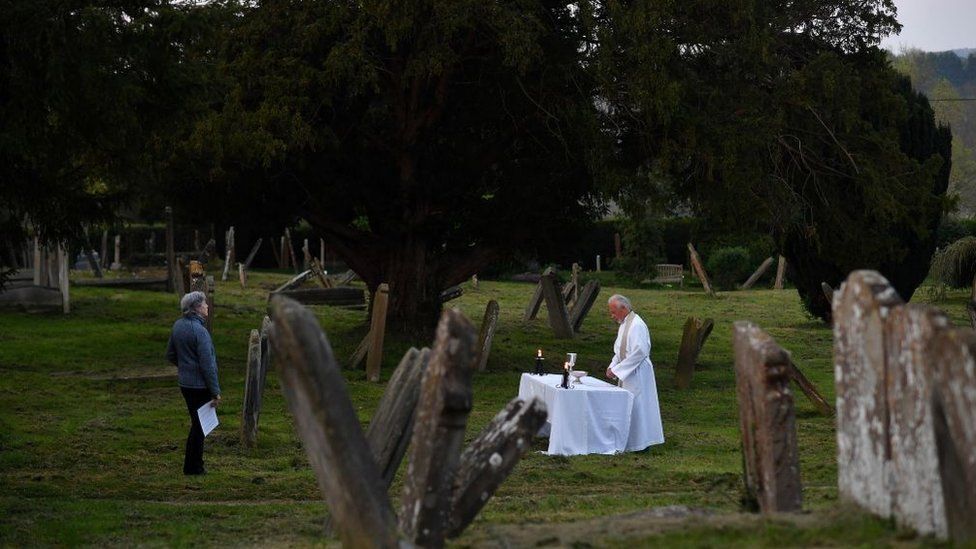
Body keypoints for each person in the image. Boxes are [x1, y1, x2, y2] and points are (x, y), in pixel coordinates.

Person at [165, 291, 221, 475]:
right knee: (199, 427)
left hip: (185, 384)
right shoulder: (200, 332)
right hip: (200, 386)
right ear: (197, 308)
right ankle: (193, 467)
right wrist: (215, 391)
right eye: (205, 304)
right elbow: (208, 365)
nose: (207, 306)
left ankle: (194, 465)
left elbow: (170, 355)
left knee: (197, 425)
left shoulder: (178, 326)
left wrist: (185, 368)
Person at [605, 294, 664, 451]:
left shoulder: (637, 325)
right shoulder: (624, 324)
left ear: (623, 308)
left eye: (613, 312)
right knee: (627, 407)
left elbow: (639, 352)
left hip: (637, 372)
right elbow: (619, 350)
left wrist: (618, 370)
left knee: (638, 407)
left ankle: (641, 445)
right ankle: (628, 442)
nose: (612, 316)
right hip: (627, 372)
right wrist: (612, 366)